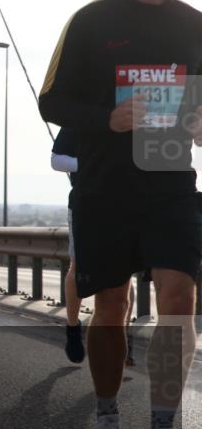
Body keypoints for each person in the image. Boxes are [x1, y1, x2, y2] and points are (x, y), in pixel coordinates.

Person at [39, 0, 202, 429]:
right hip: (105, 188)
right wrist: (106, 118)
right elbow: (50, 102)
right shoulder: (90, 22)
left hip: (172, 185)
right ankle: (107, 420)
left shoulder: (195, 25)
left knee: (179, 300)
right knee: (111, 304)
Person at [52, 128, 137, 366]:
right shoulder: (79, 116)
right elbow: (57, 160)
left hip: (126, 204)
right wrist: (94, 164)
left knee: (124, 272)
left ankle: (123, 336)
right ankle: (72, 327)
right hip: (85, 204)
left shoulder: (134, 115)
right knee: (77, 265)